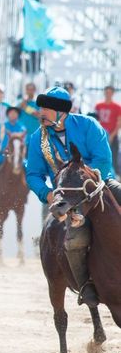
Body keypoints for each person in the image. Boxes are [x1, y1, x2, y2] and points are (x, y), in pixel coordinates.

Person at [26, 86, 121, 307]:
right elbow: (33, 174)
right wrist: (47, 194)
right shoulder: (36, 138)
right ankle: (86, 285)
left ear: (61, 111)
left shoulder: (89, 125)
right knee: (72, 241)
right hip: (65, 198)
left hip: (99, 185)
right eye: (42, 108)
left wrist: (87, 182)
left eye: (47, 108)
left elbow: (103, 159)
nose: (42, 112)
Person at [94, 85, 121, 176]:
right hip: (101, 135)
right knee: (100, 155)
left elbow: (119, 122)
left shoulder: (117, 107)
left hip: (113, 135)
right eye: (106, 92)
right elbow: (95, 120)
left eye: (110, 92)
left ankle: (114, 176)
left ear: (113, 93)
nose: (108, 94)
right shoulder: (98, 105)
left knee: (113, 156)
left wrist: (112, 135)